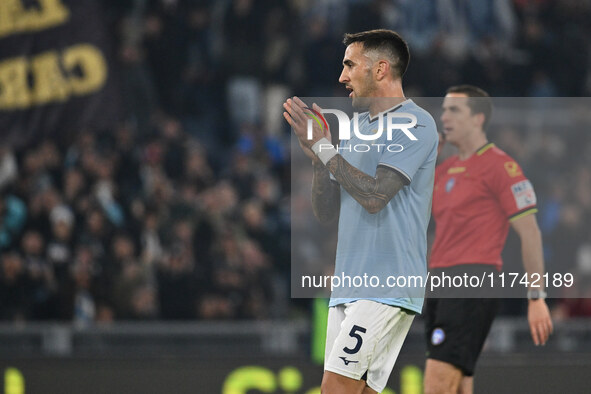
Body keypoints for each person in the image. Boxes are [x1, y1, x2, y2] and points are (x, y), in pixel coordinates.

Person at [283, 29, 438, 394]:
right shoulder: (357, 130)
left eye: (350, 65)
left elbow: (375, 197)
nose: (342, 77)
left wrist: (326, 151)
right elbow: (326, 213)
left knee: (334, 389)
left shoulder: (416, 124)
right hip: (348, 286)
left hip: (387, 285)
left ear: (381, 69)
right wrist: (320, 160)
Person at [423, 85, 554, 394]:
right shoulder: (444, 170)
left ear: (478, 118)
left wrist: (536, 297)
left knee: (438, 381)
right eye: (443, 110)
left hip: (472, 279)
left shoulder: (501, 167)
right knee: (459, 382)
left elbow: (530, 232)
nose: (444, 117)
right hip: (439, 281)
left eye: (455, 110)